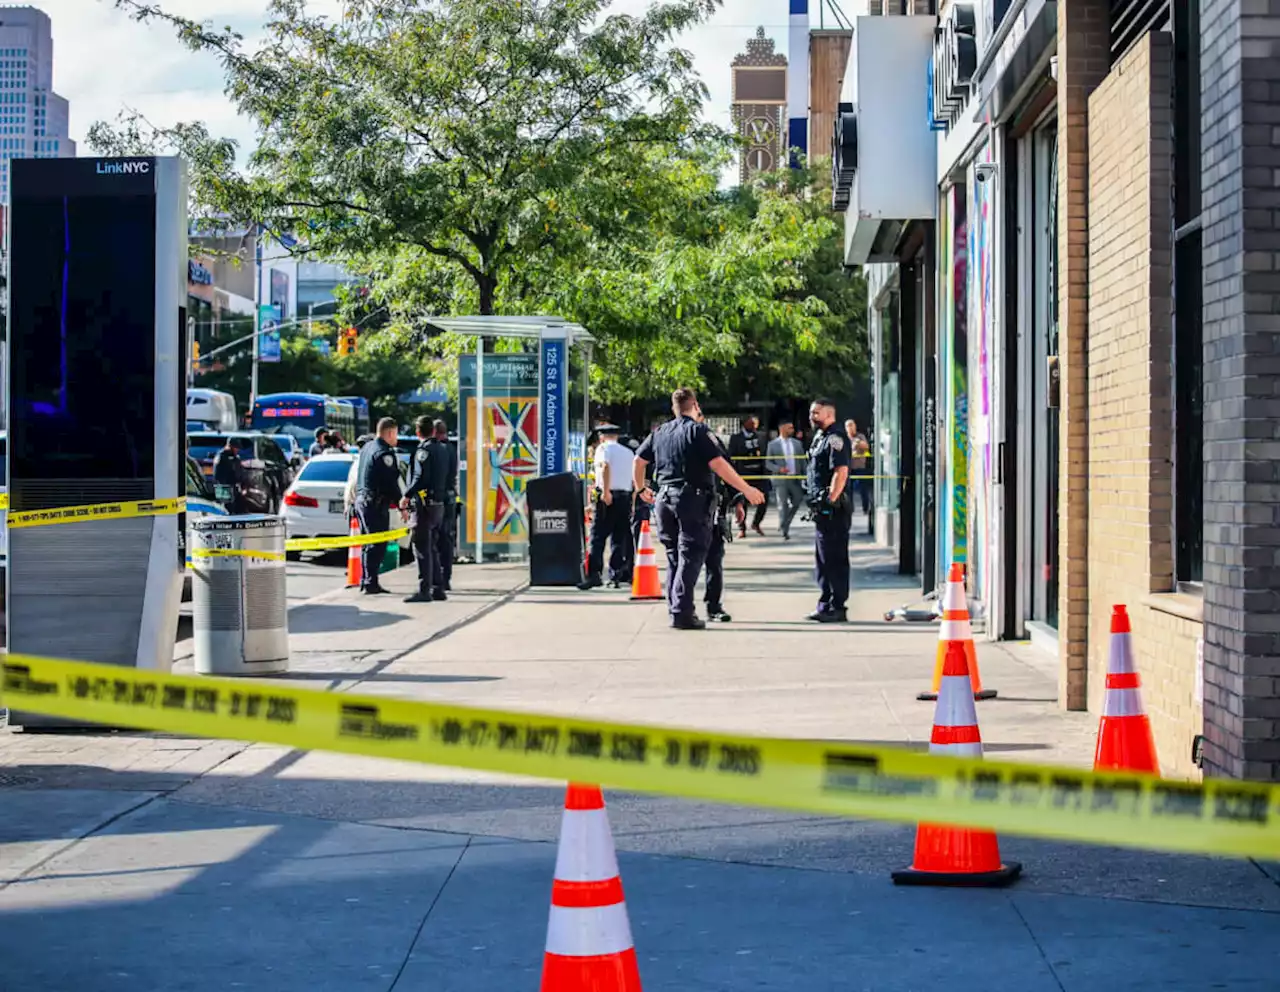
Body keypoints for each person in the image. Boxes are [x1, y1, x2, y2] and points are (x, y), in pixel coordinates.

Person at [632, 388, 764, 630]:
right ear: (695, 406)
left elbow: (638, 461)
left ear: (674, 408)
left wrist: (641, 489)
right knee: (690, 556)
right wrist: (746, 490)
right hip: (691, 500)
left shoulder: (660, 432)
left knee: (674, 557)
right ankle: (682, 612)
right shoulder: (698, 431)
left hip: (663, 500)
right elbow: (718, 464)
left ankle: (675, 609)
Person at [806, 399, 852, 622]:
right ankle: (825, 603)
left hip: (833, 509)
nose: (812, 416)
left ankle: (837, 605)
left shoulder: (836, 438)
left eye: (817, 413)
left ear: (829, 414)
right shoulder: (820, 437)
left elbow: (840, 472)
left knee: (834, 557)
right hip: (821, 508)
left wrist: (830, 500)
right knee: (823, 558)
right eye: (811, 413)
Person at [352, 417, 405, 595]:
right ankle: (370, 582)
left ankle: (366, 580)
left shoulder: (367, 447)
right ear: (389, 432)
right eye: (396, 434)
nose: (396, 438)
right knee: (377, 544)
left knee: (368, 543)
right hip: (374, 504)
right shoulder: (384, 453)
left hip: (362, 501)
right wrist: (401, 504)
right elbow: (390, 483)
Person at [580, 424, 635, 589]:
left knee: (597, 537)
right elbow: (633, 477)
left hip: (607, 496)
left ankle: (594, 575)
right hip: (624, 497)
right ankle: (615, 575)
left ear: (602, 436)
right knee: (618, 538)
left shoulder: (603, 449)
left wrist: (605, 491)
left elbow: (605, 467)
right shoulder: (628, 453)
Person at [401, 416, 449, 604]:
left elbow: (419, 477)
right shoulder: (443, 450)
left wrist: (406, 495)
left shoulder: (424, 451)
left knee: (421, 547)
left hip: (424, 503)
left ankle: (424, 590)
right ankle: (438, 587)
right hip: (438, 503)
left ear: (418, 431)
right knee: (432, 547)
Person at [698, 411, 733, 622]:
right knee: (685, 562)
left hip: (713, 508)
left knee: (714, 560)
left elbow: (727, 472)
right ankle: (681, 605)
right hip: (688, 508)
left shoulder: (713, 441)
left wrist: (735, 502)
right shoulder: (677, 439)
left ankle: (713, 605)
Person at [423, 420, 459, 592]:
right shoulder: (451, 449)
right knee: (447, 540)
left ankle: (438, 579)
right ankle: (446, 578)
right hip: (450, 498)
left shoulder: (438, 450)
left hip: (439, 499)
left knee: (436, 541)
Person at [727, 415, 769, 537]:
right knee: (742, 501)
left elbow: (765, 453)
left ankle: (756, 523)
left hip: (759, 473)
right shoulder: (736, 438)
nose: (754, 425)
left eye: (756, 423)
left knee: (763, 500)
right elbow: (731, 455)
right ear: (744, 423)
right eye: (751, 423)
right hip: (743, 474)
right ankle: (742, 528)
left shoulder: (761, 436)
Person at [766, 420, 806, 541]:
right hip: (781, 479)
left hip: (795, 478)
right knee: (782, 505)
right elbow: (768, 463)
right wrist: (779, 469)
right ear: (782, 429)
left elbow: (802, 461)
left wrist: (805, 475)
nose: (792, 430)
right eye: (789, 428)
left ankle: (784, 522)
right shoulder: (773, 444)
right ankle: (785, 530)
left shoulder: (797, 444)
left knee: (797, 501)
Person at [631, 420, 662, 552]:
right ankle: (639, 542)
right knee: (641, 515)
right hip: (646, 484)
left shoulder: (656, 444)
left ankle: (641, 541)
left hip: (653, 484)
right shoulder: (650, 444)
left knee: (645, 515)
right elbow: (641, 464)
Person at [845, 418, 873, 535]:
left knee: (863, 488)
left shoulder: (860, 436)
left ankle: (866, 507)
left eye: (853, 425)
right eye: (849, 426)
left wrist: (858, 444)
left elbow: (866, 447)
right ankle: (850, 509)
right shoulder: (844, 438)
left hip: (860, 467)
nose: (851, 428)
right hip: (849, 468)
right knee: (849, 490)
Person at [211, 439, 245, 513]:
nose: (237, 450)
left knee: (239, 509)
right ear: (230, 447)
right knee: (227, 510)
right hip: (225, 488)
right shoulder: (221, 457)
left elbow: (239, 473)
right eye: (236, 448)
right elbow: (218, 475)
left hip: (234, 488)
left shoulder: (236, 458)